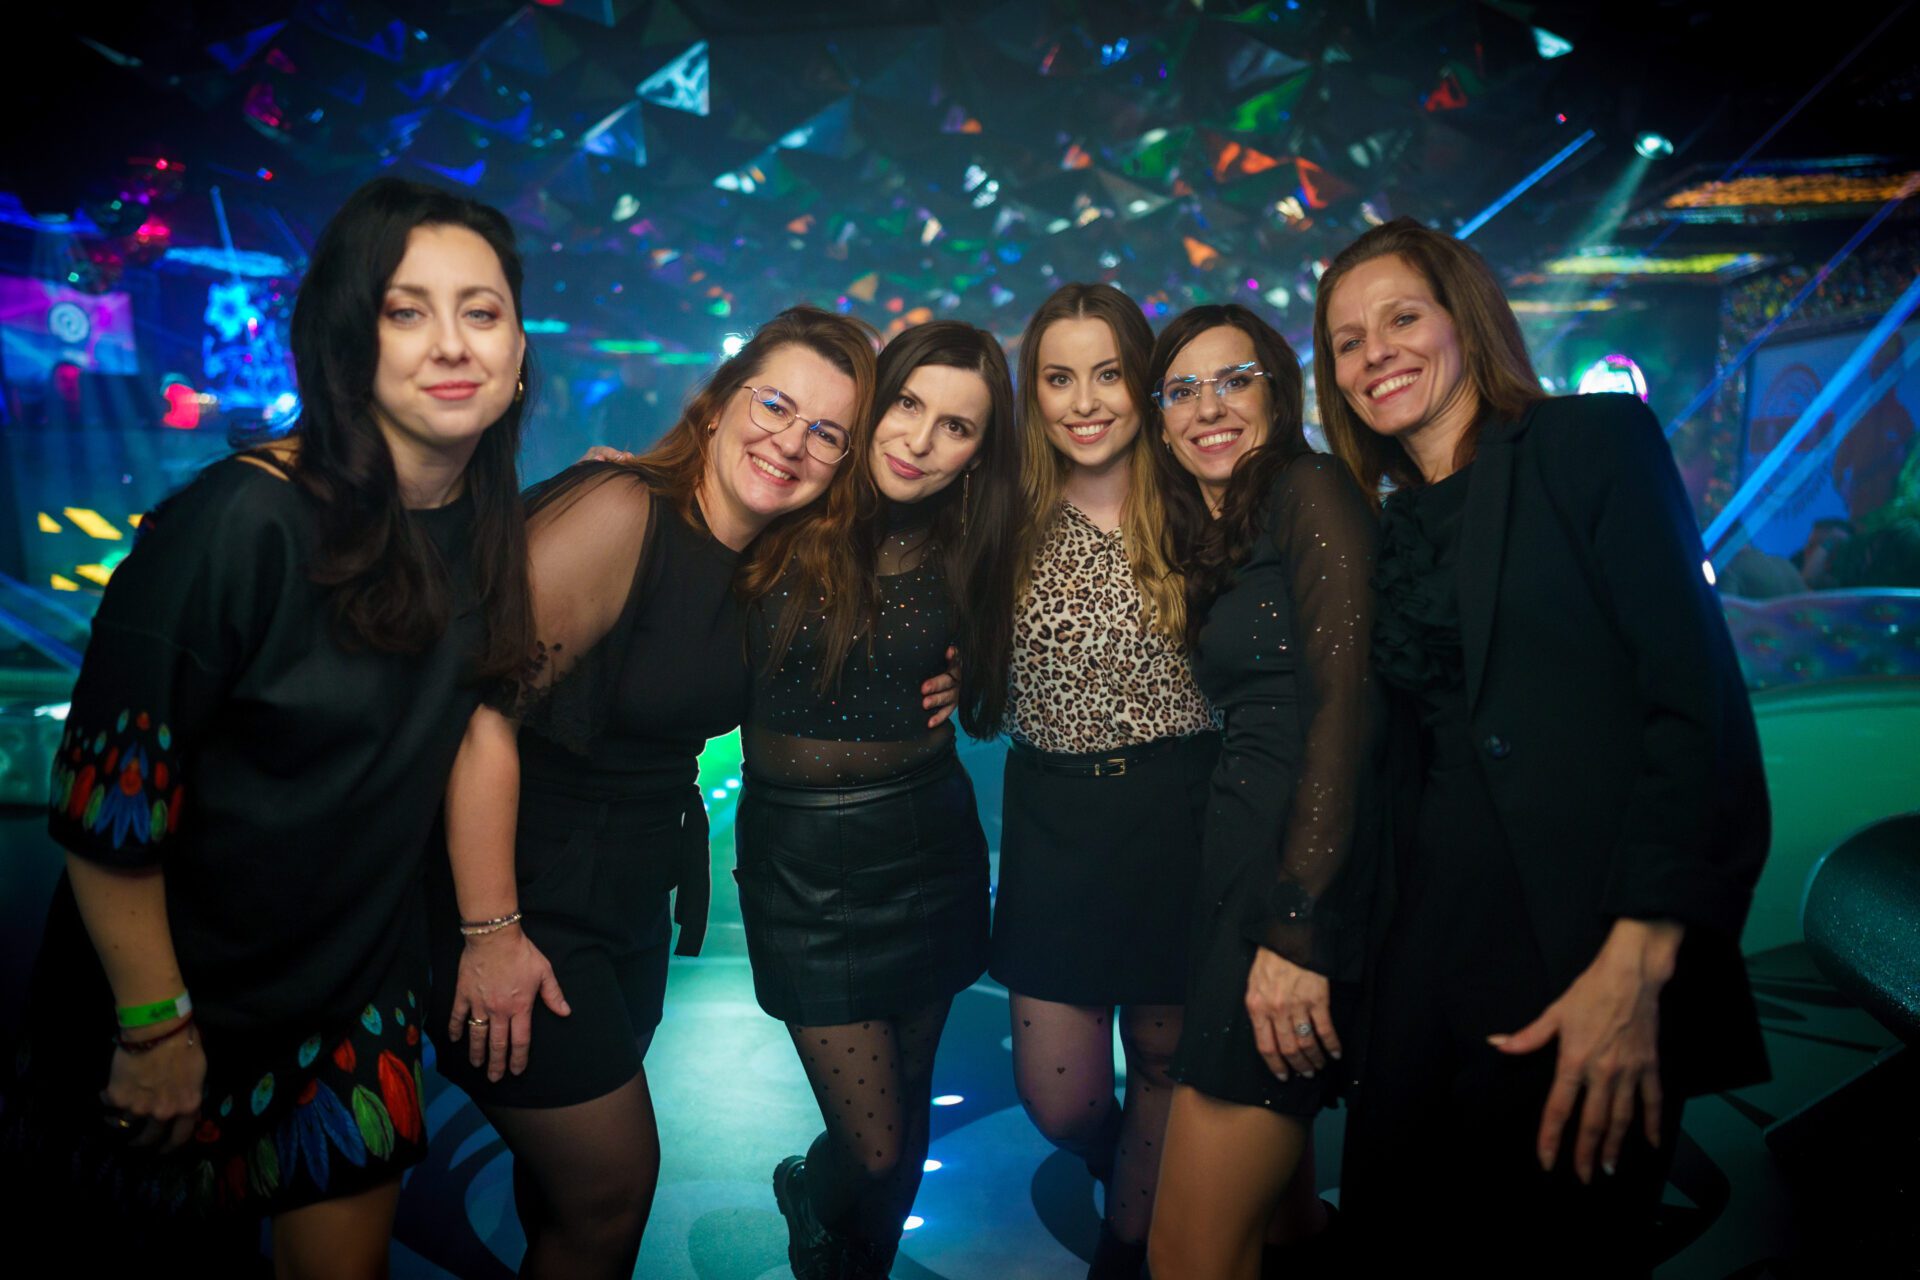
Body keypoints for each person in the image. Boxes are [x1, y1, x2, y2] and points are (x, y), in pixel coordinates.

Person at [1, 176, 536, 1276]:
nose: (452, 343)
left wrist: (493, 929)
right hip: (170, 1002)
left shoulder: (485, 529)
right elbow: (106, 810)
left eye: (481, 311)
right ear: (346, 344)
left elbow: (474, 716)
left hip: (351, 1000)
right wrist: (154, 1024)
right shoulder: (239, 523)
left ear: (519, 349)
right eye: (406, 310)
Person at [1316, 217, 1770, 1274]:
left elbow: (1693, 707)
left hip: (1581, 952)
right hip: (1419, 967)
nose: (1376, 352)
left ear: (1465, 319)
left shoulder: (1590, 445)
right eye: (1346, 340)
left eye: (1401, 317)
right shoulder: (1381, 526)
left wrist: (1638, 961)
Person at [428, 308, 907, 1279]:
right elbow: (476, 717)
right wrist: (490, 934)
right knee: (610, 1189)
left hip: (627, 899)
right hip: (525, 895)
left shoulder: (770, 561)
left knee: (561, 1196)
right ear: (719, 403)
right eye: (776, 405)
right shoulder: (623, 510)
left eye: (828, 432)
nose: (793, 442)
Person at [741, 321, 1022, 1278]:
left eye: (957, 427)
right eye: (906, 404)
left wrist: (975, 674)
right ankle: (809, 1192)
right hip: (800, 864)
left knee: (904, 1125)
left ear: (980, 451)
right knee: (872, 1144)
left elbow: (996, 688)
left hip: (926, 844)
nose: (919, 439)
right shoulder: (787, 499)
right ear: (872, 400)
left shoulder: (977, 542)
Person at [1140, 305, 1383, 1280]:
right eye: (1182, 390)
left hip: (1288, 888)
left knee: (1187, 1253)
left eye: (1234, 379)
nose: (1208, 407)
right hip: (1245, 868)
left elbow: (1348, 709)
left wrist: (1296, 928)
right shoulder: (1225, 528)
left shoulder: (1309, 486)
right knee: (1279, 1227)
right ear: (1160, 422)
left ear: (1279, 394)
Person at [989, 282, 1220, 1278]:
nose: (1084, 401)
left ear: (1146, 382)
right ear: (1032, 392)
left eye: (1110, 374)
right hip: (1054, 823)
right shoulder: (996, 513)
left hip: (1184, 812)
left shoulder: (1207, 502)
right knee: (1061, 1100)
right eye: (1058, 377)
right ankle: (1124, 1159)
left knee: (1168, 1059)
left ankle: (1126, 1249)